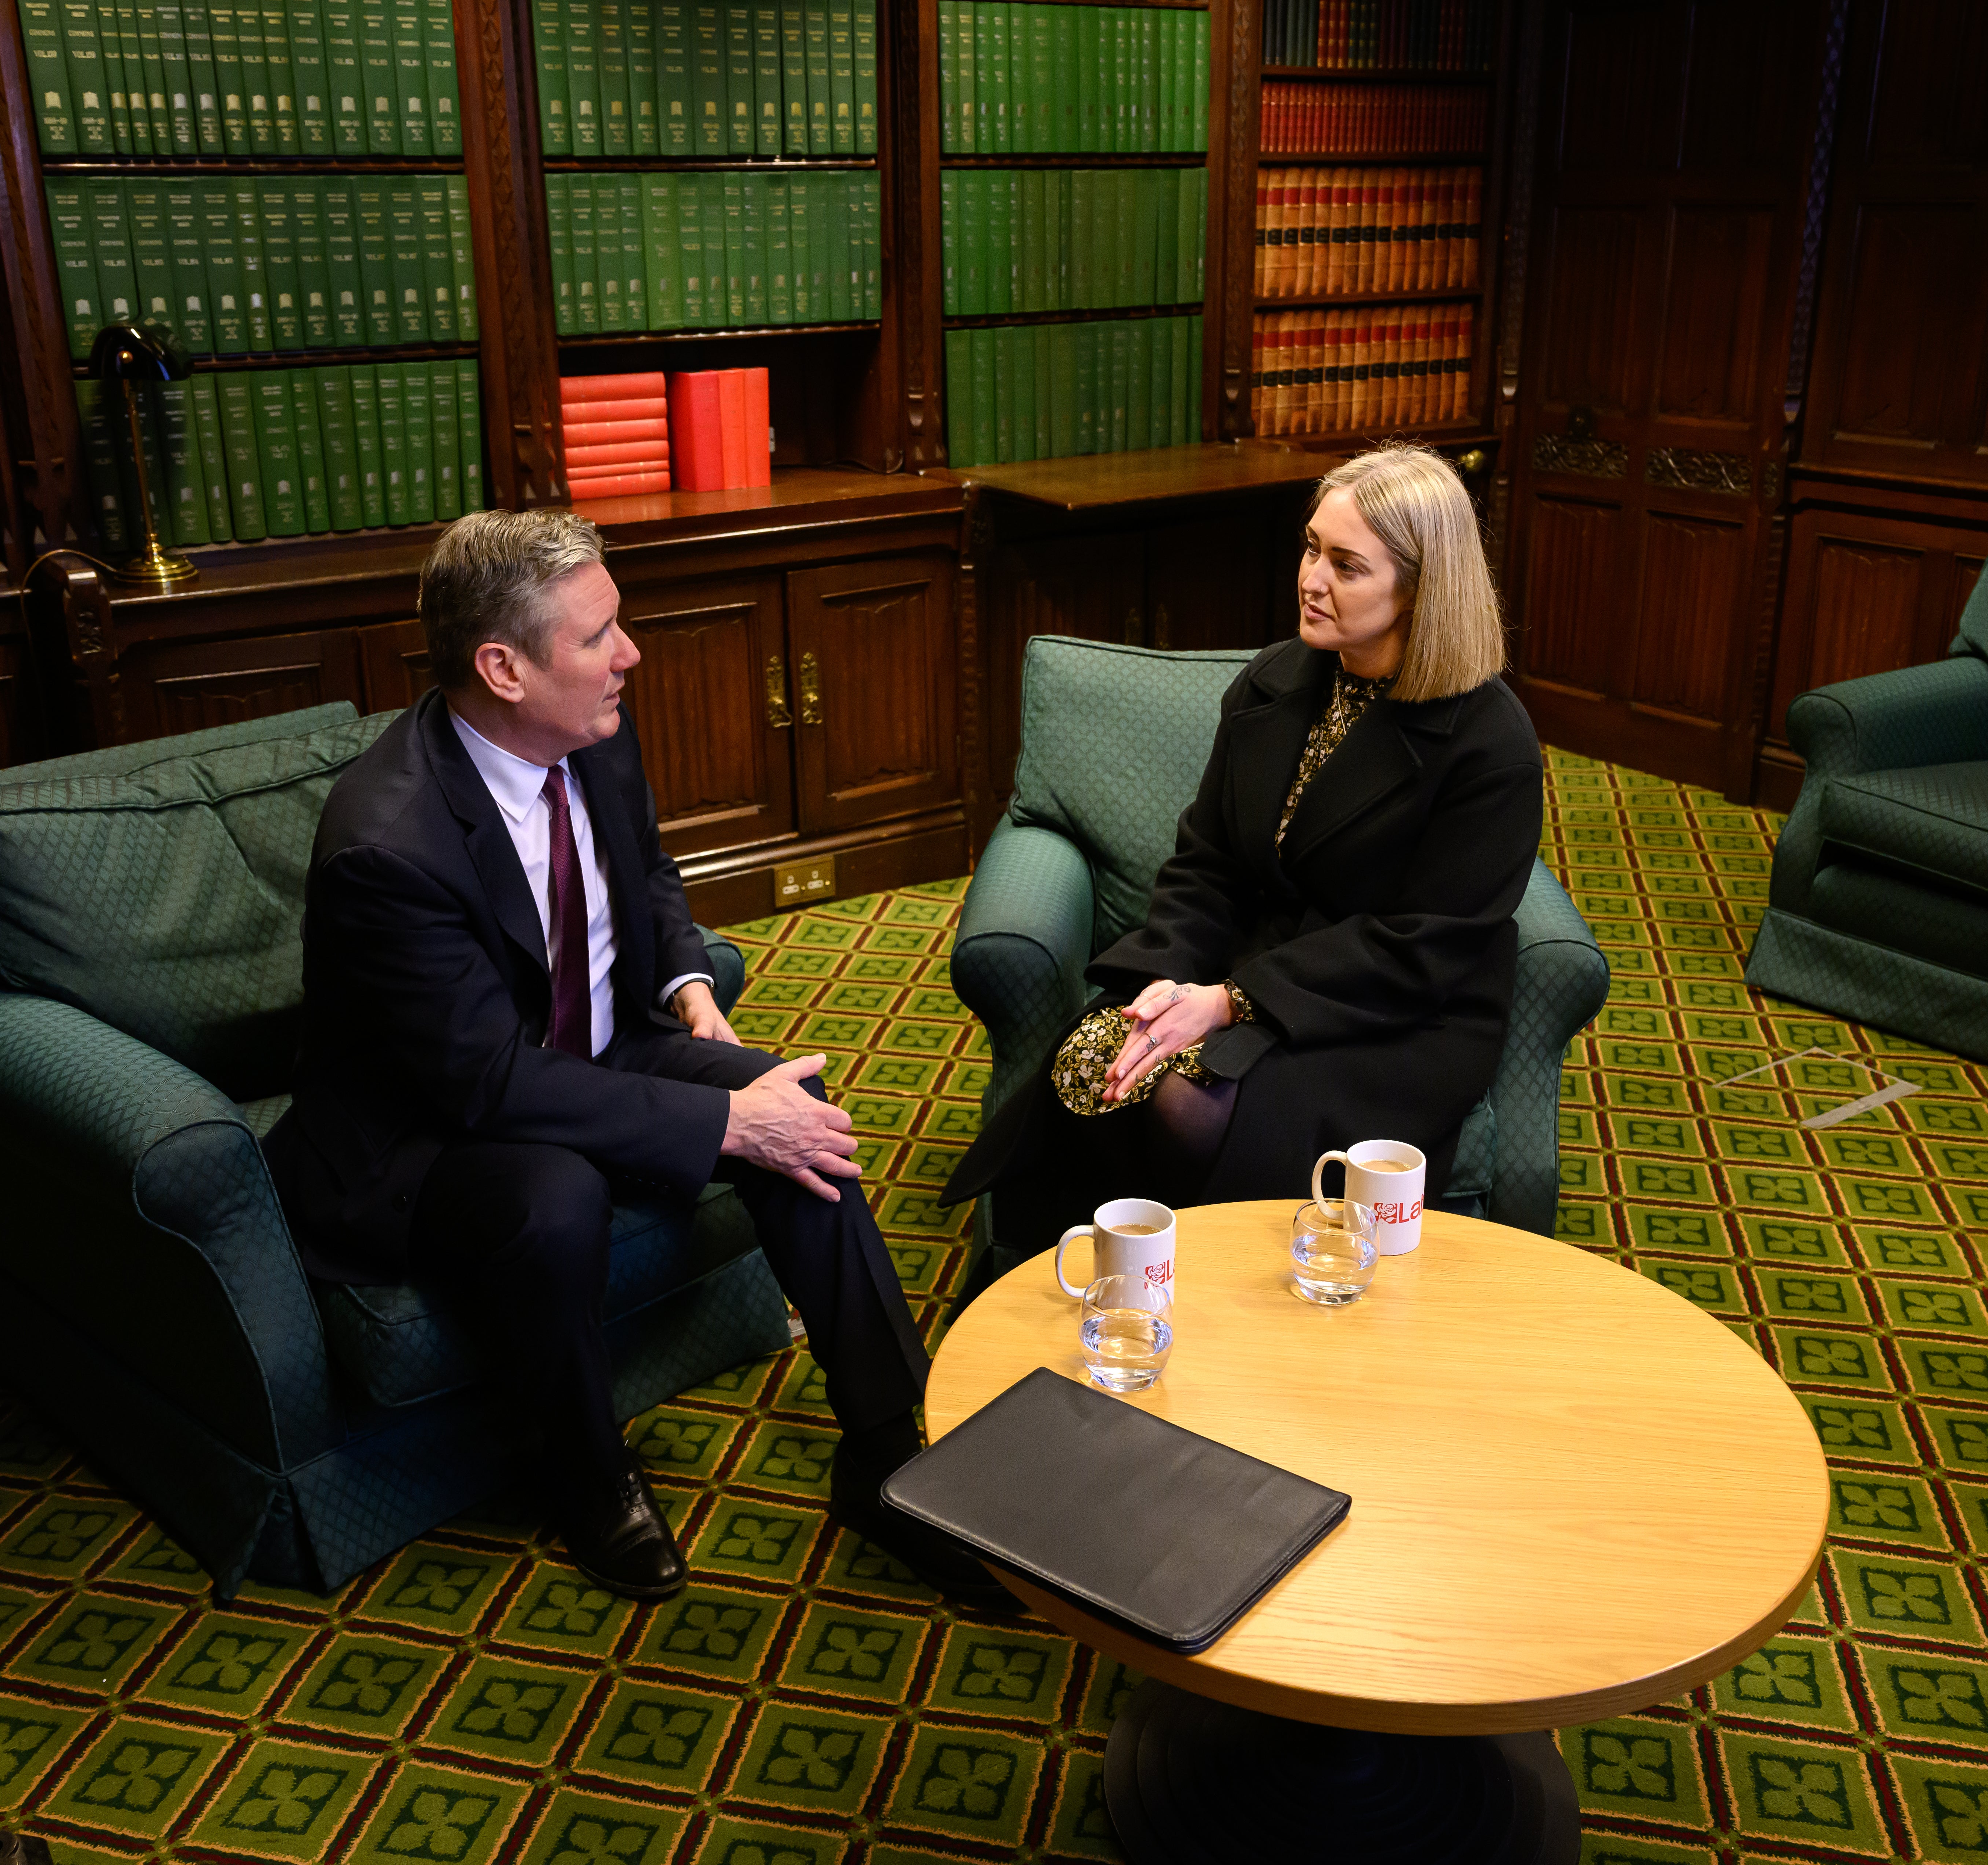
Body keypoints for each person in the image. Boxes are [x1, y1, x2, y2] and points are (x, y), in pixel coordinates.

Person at [261, 509, 995, 1604]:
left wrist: (686, 985)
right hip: (427, 1134)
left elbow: (643, 871)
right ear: (502, 667)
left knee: (788, 1099)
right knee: (557, 1193)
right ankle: (587, 1475)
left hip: (595, 1049)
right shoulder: (388, 844)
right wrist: (718, 1126)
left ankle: (888, 1447)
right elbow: (485, 1081)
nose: (630, 655)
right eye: (599, 635)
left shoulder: (587, 729)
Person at [942, 443, 1544, 1242]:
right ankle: (1062, 1287)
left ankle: (1213, 1314)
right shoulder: (1274, 680)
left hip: (1398, 1018)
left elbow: (1421, 947)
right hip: (1251, 967)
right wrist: (1164, 979)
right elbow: (1209, 862)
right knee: (1097, 1061)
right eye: (1310, 547)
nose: (1311, 579)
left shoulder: (1489, 741)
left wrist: (1229, 1001)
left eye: (1347, 565)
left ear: (1421, 587)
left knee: (1193, 1104)